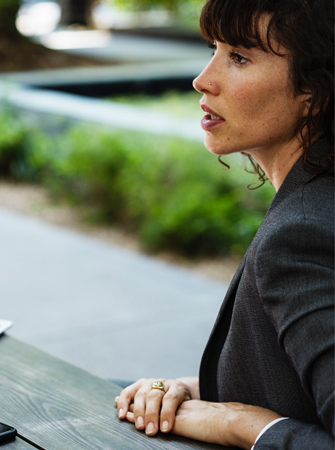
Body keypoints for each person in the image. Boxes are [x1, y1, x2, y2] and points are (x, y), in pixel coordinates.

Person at [114, 0, 334, 448]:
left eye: (239, 57)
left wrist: (240, 425)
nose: (203, 79)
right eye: (214, 48)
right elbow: (298, 387)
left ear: (315, 91)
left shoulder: (300, 237)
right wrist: (192, 390)